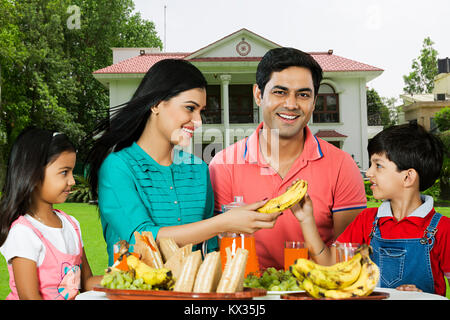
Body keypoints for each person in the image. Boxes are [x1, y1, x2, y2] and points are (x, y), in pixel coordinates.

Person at [85, 59, 280, 266]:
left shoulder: (199, 170)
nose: (198, 121)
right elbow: (142, 240)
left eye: (201, 111)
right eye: (190, 108)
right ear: (156, 104)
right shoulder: (117, 167)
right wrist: (223, 222)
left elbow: (208, 249)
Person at [209, 47, 367, 270]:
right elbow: (221, 248)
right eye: (280, 92)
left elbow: (348, 256)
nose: (291, 105)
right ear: (258, 95)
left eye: (303, 94)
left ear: (313, 102)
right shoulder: (223, 166)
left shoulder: (342, 165)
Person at [293, 123, 450, 296]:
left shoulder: (443, 230)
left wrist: (422, 298)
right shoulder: (366, 220)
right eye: (370, 164)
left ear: (407, 177)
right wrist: (306, 219)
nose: (368, 173)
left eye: (378, 166)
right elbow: (330, 265)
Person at [0, 128, 102, 300]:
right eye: (64, 172)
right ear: (34, 174)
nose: (72, 181)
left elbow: (87, 282)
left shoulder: (72, 225)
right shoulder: (23, 233)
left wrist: (126, 276)